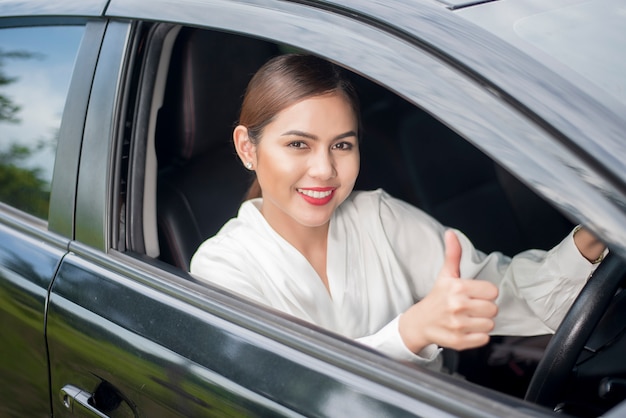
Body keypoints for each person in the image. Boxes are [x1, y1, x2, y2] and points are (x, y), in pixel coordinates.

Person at [190, 53, 607, 369]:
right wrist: (412, 332)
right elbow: (289, 387)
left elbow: (509, 297)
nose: (325, 170)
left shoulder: (379, 218)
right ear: (248, 147)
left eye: (342, 145)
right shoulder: (222, 267)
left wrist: (591, 240)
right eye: (298, 144)